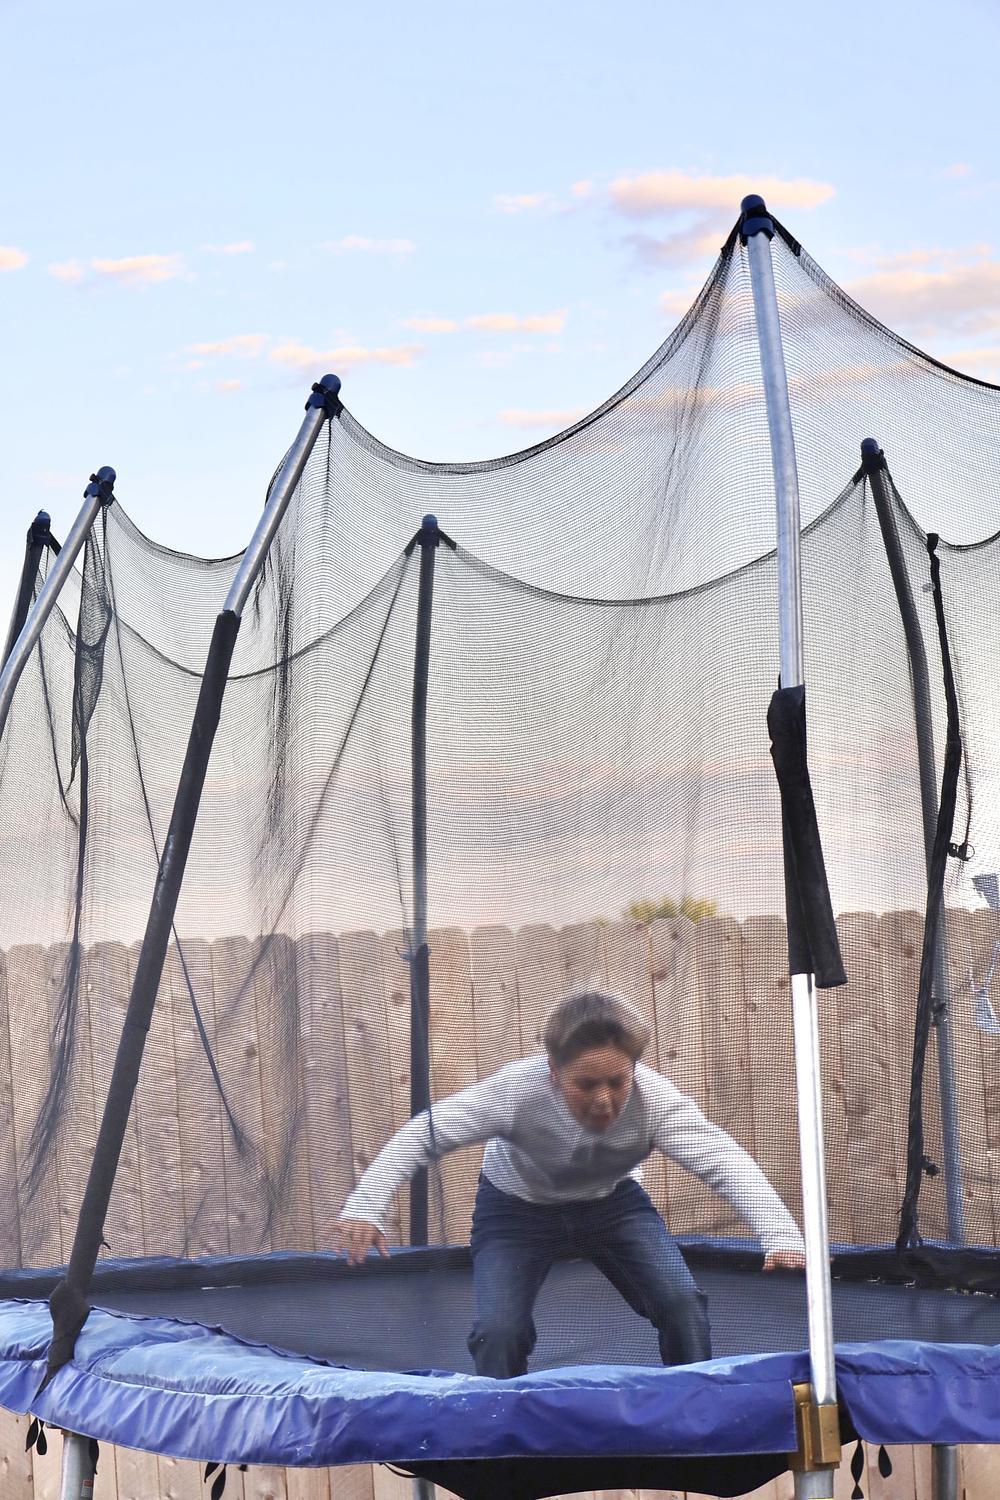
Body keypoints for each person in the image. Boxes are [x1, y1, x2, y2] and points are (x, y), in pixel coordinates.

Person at [337, 989, 806, 1376]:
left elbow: (724, 1161)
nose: (604, 1100)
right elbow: (424, 1134)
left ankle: (695, 1411)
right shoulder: (516, 1091)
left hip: (612, 1204)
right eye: (586, 1084)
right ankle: (502, 1434)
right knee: (498, 1332)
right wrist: (366, 1205)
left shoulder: (656, 1101)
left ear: (633, 1070)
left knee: (682, 1303)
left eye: (617, 1082)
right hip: (515, 1210)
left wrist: (781, 1234)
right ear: (553, 1071)